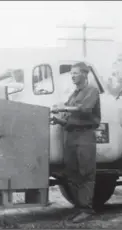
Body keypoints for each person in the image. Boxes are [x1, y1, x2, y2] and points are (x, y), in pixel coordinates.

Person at [51, 62, 101, 223]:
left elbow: (85, 109)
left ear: (85, 74)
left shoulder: (92, 91)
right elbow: (70, 117)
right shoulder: (73, 94)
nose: (72, 76)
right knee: (72, 173)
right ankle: (79, 208)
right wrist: (57, 119)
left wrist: (63, 109)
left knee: (85, 172)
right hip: (71, 136)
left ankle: (86, 210)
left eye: (76, 73)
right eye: (71, 73)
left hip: (85, 136)